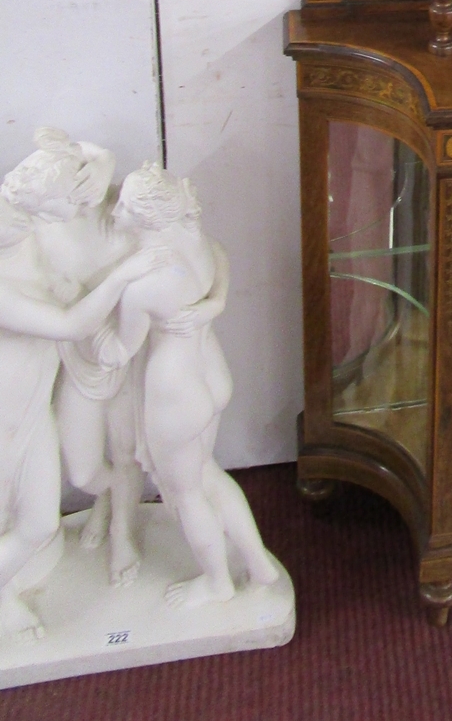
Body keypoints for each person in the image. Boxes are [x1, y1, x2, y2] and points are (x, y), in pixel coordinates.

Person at [4, 129, 229, 587]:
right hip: (81, 359)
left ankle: (123, 532)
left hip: (126, 358)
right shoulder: (29, 227)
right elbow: (72, 324)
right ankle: (103, 499)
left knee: (126, 453)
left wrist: (215, 303)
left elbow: (207, 248)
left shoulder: (121, 215)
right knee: (85, 469)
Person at [103, 164, 277, 609]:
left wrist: (99, 304)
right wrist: (213, 304)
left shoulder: (143, 285)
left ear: (147, 218)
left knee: (184, 492)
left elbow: (121, 349)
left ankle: (216, 582)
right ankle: (259, 564)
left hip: (175, 390)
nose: (116, 209)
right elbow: (222, 259)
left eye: (125, 205)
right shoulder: (197, 241)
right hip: (211, 374)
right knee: (207, 474)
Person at [0, 184, 166, 641]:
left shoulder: (31, 241)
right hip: (5, 428)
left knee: (39, 523)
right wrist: (120, 278)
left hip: (33, 421)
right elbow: (70, 324)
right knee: (30, 513)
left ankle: (115, 528)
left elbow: (74, 173)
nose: (13, 215)